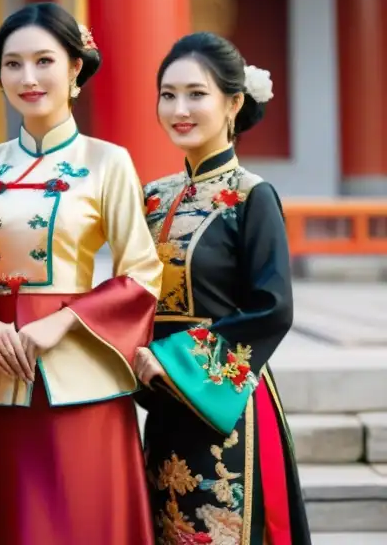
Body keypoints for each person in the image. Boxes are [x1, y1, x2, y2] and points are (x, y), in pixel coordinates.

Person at [0, 2, 163, 543]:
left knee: (83, 517)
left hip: (78, 374)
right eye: (12, 63)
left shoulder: (107, 161)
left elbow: (141, 272)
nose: (28, 77)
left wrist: (60, 322)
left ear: (75, 69)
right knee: (4, 518)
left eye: (45, 60)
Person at [133, 32, 311, 544]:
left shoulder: (252, 197)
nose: (179, 108)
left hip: (227, 411)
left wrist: (172, 359)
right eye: (168, 94)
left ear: (233, 102)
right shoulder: (152, 198)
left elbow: (272, 308)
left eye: (196, 94)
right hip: (164, 404)